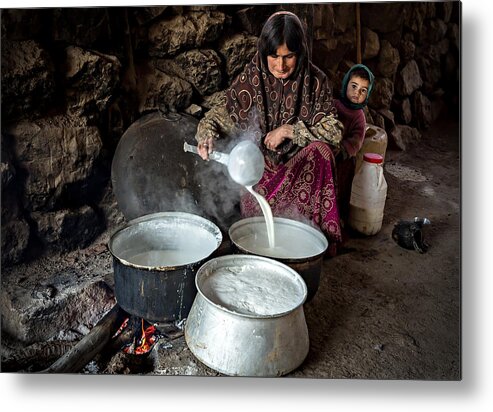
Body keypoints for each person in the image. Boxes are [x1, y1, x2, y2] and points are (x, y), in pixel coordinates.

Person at [195, 11, 344, 253]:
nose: (281, 65)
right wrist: (206, 138)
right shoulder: (251, 81)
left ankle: (312, 236)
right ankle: (258, 235)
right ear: (264, 53)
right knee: (245, 155)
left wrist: (289, 131)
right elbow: (215, 118)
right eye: (273, 56)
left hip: (299, 172)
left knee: (322, 153)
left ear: (300, 53)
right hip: (261, 173)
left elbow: (335, 132)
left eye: (289, 56)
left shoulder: (315, 82)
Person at [333, 64, 375, 221]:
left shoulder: (359, 116)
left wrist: (343, 150)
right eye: (354, 86)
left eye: (363, 90)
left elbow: (357, 141)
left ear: (367, 94)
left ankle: (338, 216)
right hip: (327, 150)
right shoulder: (334, 105)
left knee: (341, 188)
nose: (357, 93)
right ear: (345, 84)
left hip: (343, 158)